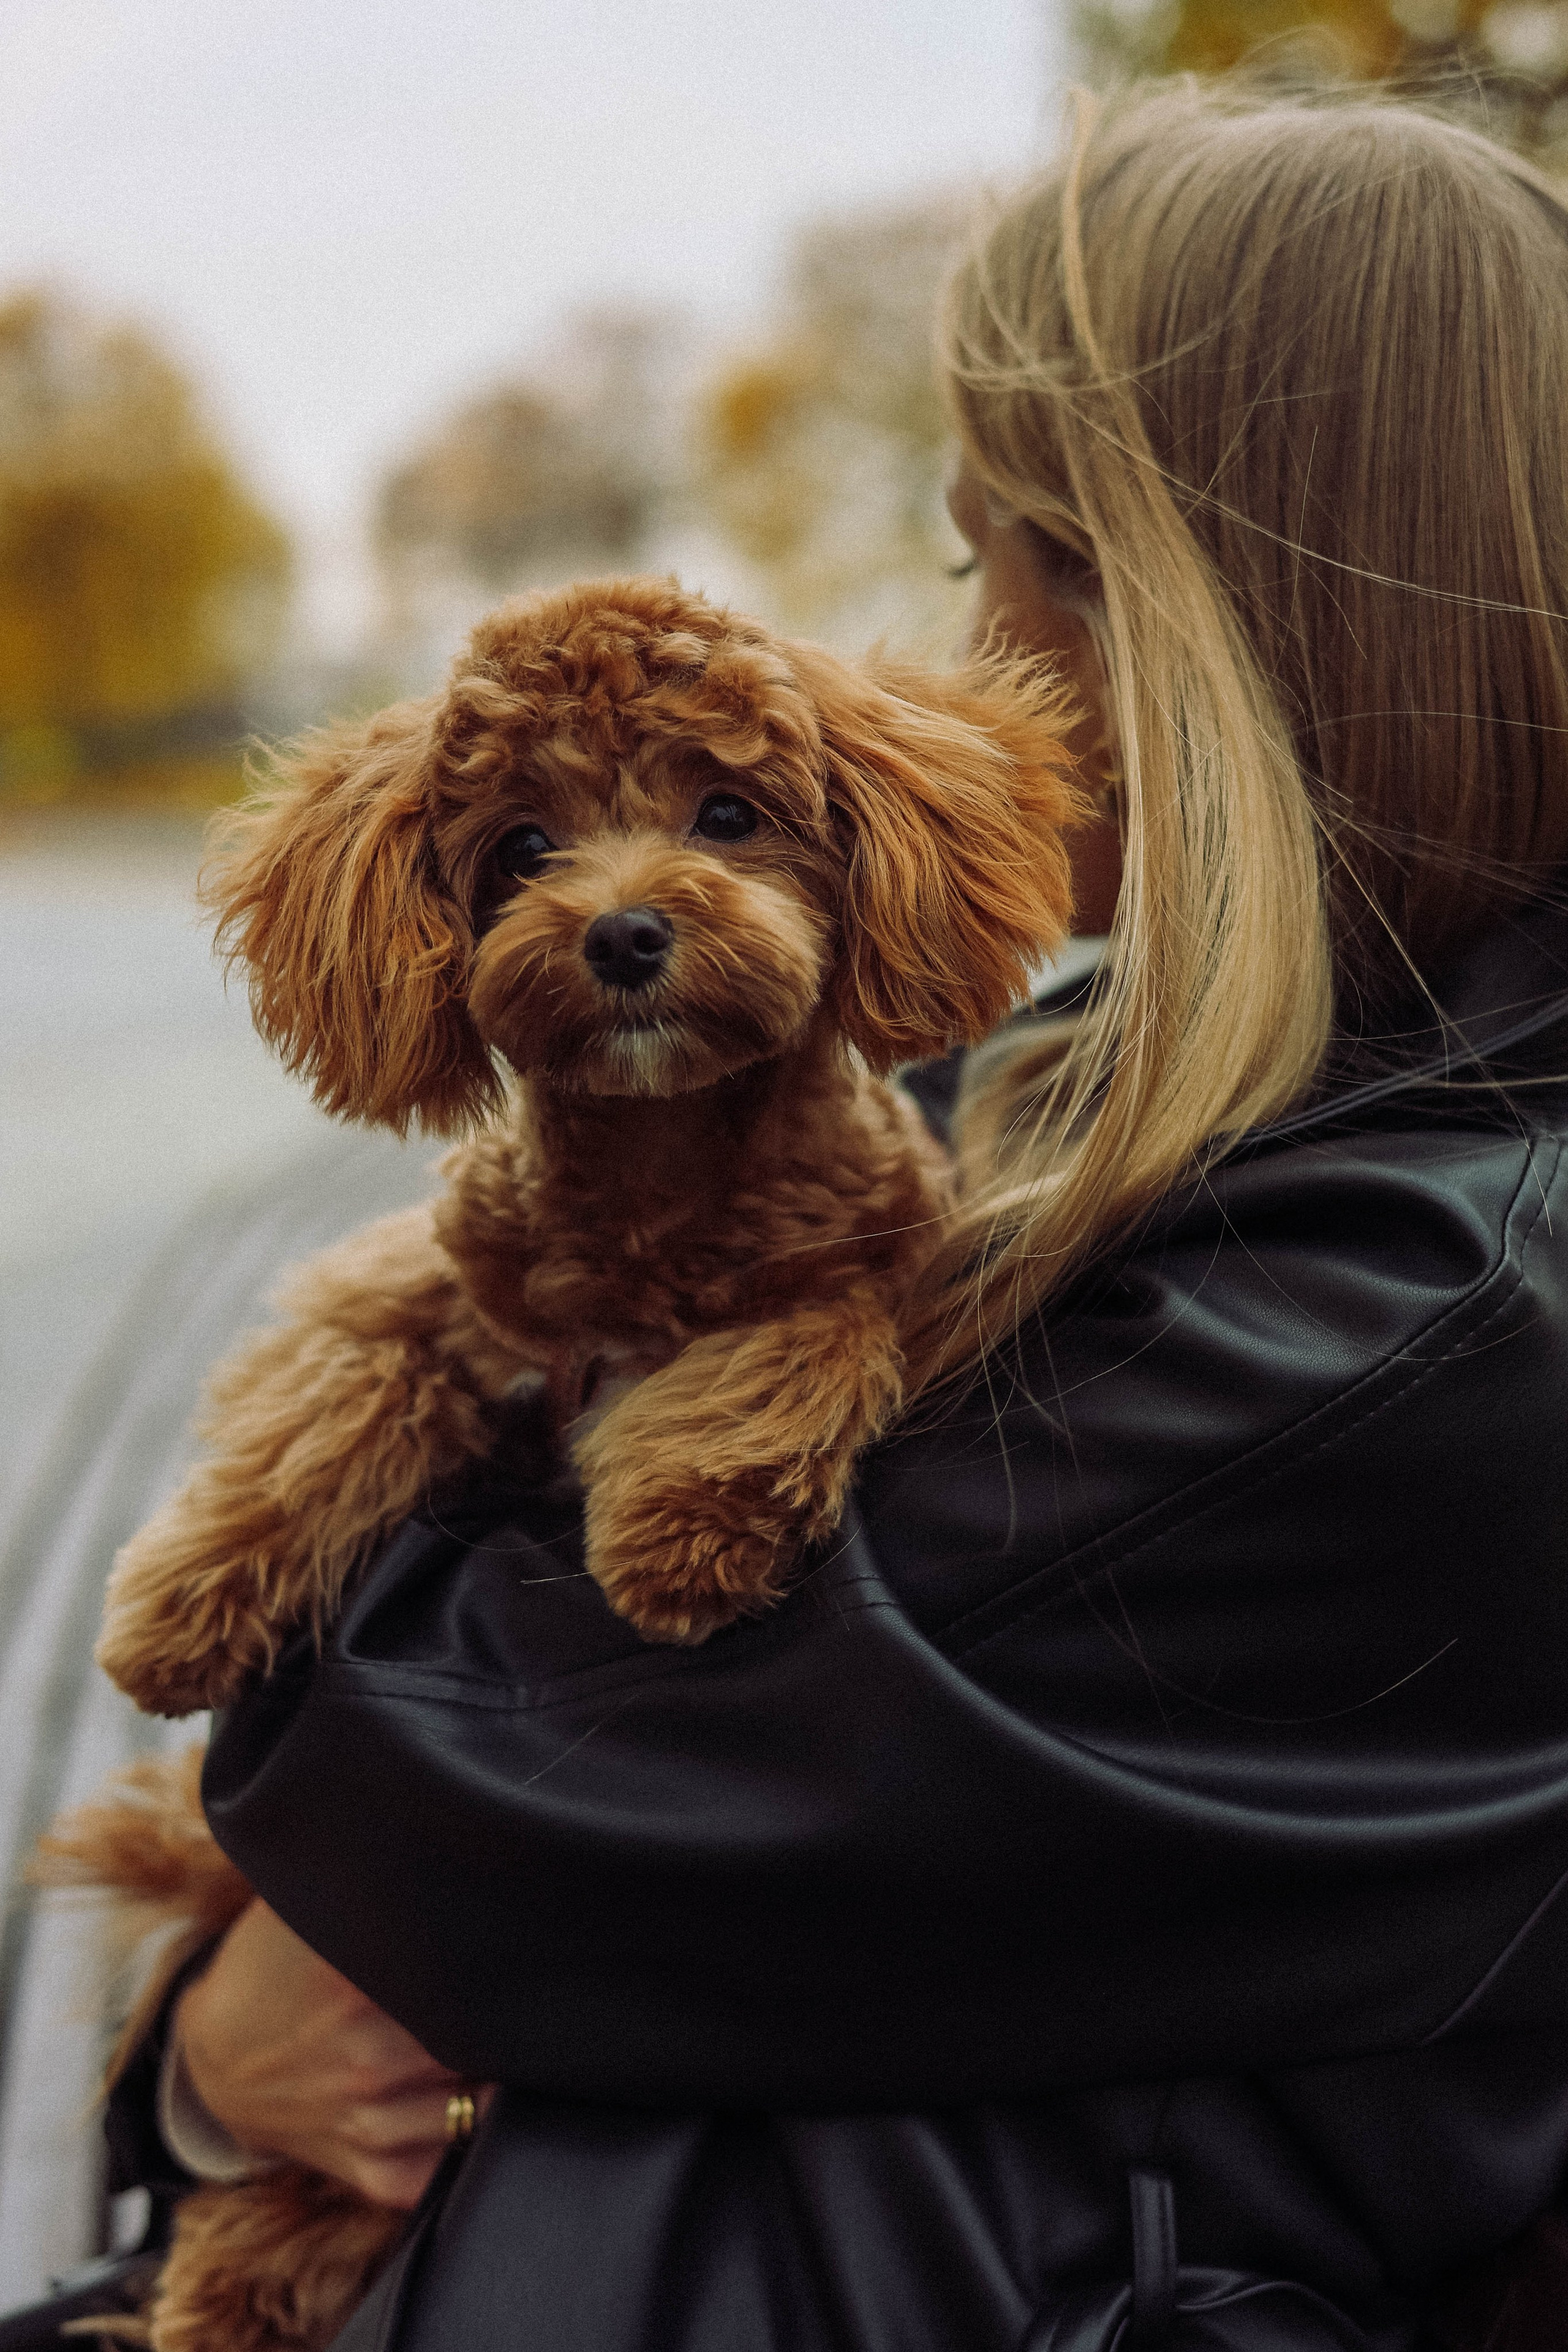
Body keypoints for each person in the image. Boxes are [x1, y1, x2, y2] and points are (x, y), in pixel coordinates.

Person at [110, 78, 1568, 2351]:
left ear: (1173, 616)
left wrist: (231, 2013)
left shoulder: (1418, 1308)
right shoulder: (1124, 1087)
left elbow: (503, 1787)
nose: (954, 636)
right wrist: (206, 2079)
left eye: (991, 558)